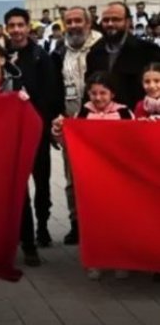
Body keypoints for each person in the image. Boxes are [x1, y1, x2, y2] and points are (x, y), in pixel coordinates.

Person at [52, 72, 132, 281]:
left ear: (112, 93)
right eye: (94, 93)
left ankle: (120, 260)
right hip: (91, 181)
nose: (98, 98)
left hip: (118, 180)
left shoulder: (124, 113)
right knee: (94, 222)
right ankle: (96, 261)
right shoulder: (82, 114)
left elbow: (134, 144)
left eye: (103, 93)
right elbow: (69, 142)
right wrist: (59, 131)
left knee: (119, 222)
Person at [5, 7, 61, 260]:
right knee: (18, 185)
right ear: (6, 28)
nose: (16, 30)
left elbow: (51, 93)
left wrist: (48, 127)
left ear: (28, 27)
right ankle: (23, 234)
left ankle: (43, 227)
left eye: (20, 25)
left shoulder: (42, 56)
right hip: (11, 133)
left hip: (37, 130)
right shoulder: (3, 56)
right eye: (12, 25)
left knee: (42, 182)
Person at [49, 7, 102, 245]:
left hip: (102, 125)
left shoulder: (101, 48)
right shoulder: (59, 51)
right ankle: (76, 224)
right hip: (73, 127)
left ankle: (102, 223)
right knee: (72, 180)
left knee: (101, 179)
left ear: (88, 23)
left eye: (78, 20)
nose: (73, 25)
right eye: (68, 21)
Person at [85, 2, 160, 111]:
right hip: (101, 118)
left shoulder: (147, 51)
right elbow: (89, 87)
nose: (110, 24)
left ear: (128, 21)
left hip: (138, 117)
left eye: (116, 19)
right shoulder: (95, 51)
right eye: (106, 20)